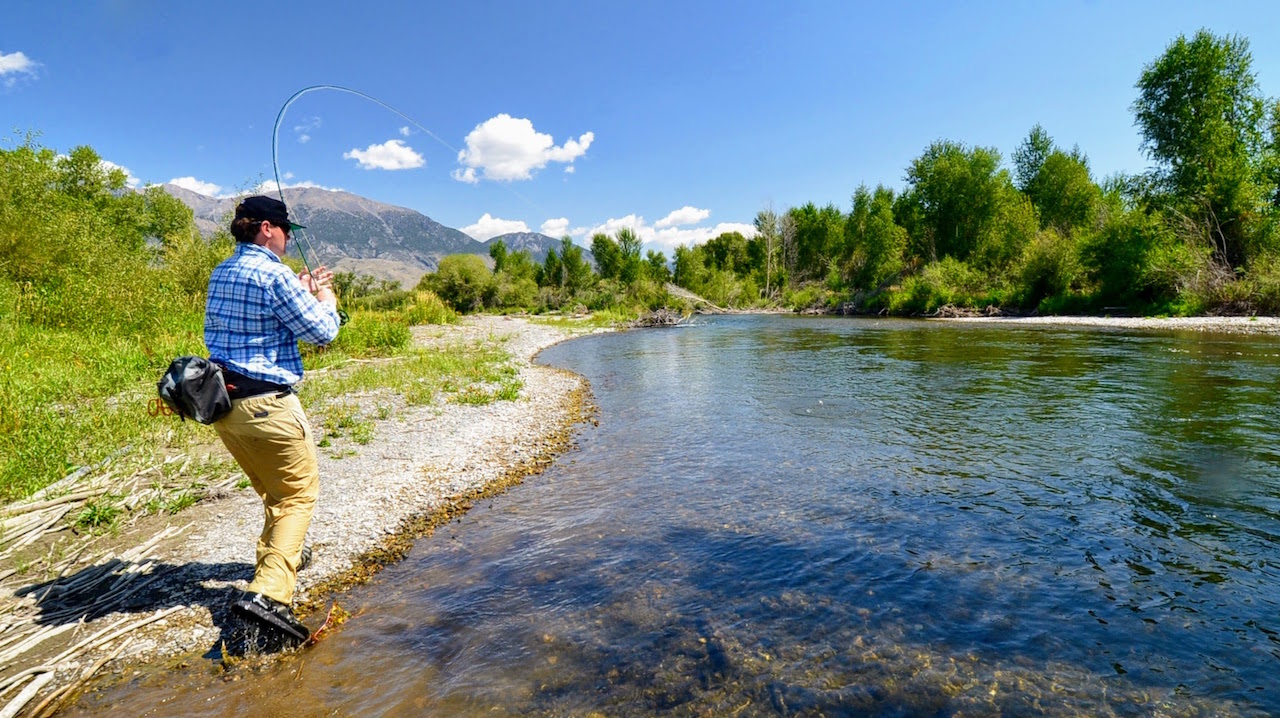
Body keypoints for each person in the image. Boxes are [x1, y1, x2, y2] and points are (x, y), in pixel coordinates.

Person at [205, 195, 340, 645]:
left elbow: (254, 322)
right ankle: (268, 596)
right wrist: (325, 297)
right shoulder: (273, 274)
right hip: (268, 406)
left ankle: (282, 559)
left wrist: (297, 289)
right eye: (285, 232)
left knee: (273, 490)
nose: (286, 240)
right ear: (267, 228)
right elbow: (323, 333)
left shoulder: (222, 271)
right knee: (298, 496)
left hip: (225, 407)